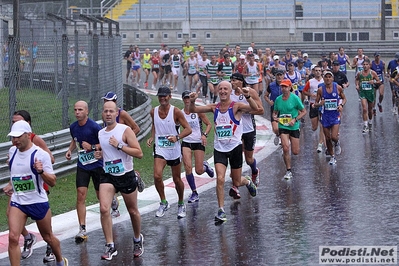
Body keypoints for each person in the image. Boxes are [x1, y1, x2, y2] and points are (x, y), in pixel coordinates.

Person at [188, 80, 259, 223]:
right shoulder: (214, 108)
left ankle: (247, 181)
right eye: (220, 89)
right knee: (220, 179)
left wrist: (248, 96)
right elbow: (193, 110)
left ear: (230, 91)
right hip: (219, 149)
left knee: (237, 181)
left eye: (226, 89)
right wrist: (192, 101)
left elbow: (256, 109)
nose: (223, 91)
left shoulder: (236, 107)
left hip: (235, 148)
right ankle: (221, 210)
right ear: (217, 91)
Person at [3, 120, 68, 266]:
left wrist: (41, 171)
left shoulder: (41, 154)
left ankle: (59, 261)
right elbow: (17, 174)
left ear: (28, 135)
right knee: (13, 238)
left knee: (48, 237)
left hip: (37, 201)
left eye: (18, 137)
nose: (15, 140)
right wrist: (10, 185)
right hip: (18, 202)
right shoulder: (12, 152)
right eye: (13, 137)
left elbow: (52, 181)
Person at [95, 101, 144, 260]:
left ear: (117, 113)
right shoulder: (101, 133)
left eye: (111, 111)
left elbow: (139, 153)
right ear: (102, 114)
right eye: (105, 111)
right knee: (104, 209)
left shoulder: (125, 130)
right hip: (108, 175)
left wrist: (119, 146)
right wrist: (99, 155)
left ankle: (137, 239)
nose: (108, 114)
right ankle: (110, 245)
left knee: (133, 211)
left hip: (126, 175)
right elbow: (106, 152)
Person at [9, 110, 55, 263]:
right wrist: (11, 184)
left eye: (18, 122)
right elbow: (15, 172)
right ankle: (28, 238)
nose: (15, 125)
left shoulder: (36, 142)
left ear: (27, 128)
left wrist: (40, 168)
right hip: (19, 197)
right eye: (13, 122)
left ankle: (54, 251)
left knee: (47, 234)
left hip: (38, 191)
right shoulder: (13, 149)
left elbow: (50, 158)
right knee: (12, 235)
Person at [146, 86, 192, 218]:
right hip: (160, 148)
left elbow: (188, 129)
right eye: (160, 96)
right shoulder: (153, 112)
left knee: (176, 179)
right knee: (157, 175)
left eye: (165, 96)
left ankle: (181, 202)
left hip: (174, 149)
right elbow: (155, 124)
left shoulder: (176, 112)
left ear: (170, 97)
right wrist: (151, 137)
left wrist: (177, 137)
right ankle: (163, 201)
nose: (162, 98)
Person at [65, 101, 103, 243]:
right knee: (81, 196)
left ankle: (112, 200)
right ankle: (82, 228)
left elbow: (104, 143)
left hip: (97, 165)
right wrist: (70, 150)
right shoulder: (73, 127)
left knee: (101, 197)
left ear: (87, 111)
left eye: (80, 109)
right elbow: (75, 141)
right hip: (83, 165)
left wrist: (92, 147)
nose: (77, 112)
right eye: (75, 110)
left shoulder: (94, 126)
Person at [101, 91, 144, 218]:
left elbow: (136, 128)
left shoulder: (122, 114)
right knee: (108, 175)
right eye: (105, 101)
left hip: (123, 149)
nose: (107, 105)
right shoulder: (106, 114)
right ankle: (114, 206)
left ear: (116, 103)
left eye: (111, 101)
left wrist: (125, 141)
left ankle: (134, 177)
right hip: (111, 154)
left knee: (132, 210)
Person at [230, 73, 264, 188]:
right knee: (236, 157)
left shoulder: (250, 92)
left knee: (249, 159)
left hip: (248, 129)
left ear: (240, 81)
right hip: (235, 131)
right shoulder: (229, 93)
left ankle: (254, 171)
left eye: (234, 80)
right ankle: (235, 185)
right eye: (231, 80)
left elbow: (261, 110)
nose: (232, 83)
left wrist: (244, 111)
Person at [181, 90, 214, 203]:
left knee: (199, 170)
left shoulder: (198, 111)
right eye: (185, 98)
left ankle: (205, 167)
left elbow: (209, 124)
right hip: (186, 142)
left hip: (198, 141)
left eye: (189, 98)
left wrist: (204, 135)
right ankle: (194, 192)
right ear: (183, 100)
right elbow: (175, 126)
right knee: (188, 167)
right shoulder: (180, 113)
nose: (187, 100)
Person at [272, 79, 306, 179]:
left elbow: (303, 111)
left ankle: (287, 143)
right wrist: (275, 117)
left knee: (295, 151)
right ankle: (288, 170)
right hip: (283, 126)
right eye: (282, 87)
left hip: (293, 126)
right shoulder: (278, 99)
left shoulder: (295, 98)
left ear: (290, 87)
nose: (284, 89)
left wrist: (295, 119)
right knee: (286, 148)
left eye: (286, 87)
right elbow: (275, 112)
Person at [314, 71, 346, 165]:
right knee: (327, 138)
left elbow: (344, 99)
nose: (328, 79)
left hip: (335, 115)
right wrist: (320, 104)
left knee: (334, 136)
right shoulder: (320, 90)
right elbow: (315, 104)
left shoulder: (338, 88)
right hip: (325, 116)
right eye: (326, 77)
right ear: (323, 79)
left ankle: (337, 143)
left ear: (332, 79)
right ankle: (332, 156)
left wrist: (341, 105)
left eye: (329, 77)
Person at [303, 65, 325, 153]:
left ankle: (320, 144)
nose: (318, 72)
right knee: (314, 126)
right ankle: (316, 134)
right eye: (316, 70)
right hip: (313, 104)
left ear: (321, 71)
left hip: (322, 105)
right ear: (313, 72)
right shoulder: (310, 82)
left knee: (322, 125)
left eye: (319, 70)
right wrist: (311, 95)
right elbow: (304, 91)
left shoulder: (325, 80)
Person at [355, 59, 380, 133]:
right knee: (364, 108)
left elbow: (379, 81)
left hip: (370, 93)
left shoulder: (373, 73)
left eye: (366, 64)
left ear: (369, 65)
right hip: (363, 93)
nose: (365, 66)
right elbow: (356, 79)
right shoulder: (360, 73)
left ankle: (370, 122)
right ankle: (365, 125)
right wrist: (357, 85)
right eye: (364, 65)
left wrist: (374, 81)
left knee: (370, 110)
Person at [264, 69, 285, 145]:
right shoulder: (271, 85)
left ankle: (283, 141)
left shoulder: (287, 84)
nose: (279, 77)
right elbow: (265, 95)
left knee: (283, 126)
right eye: (277, 75)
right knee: (275, 128)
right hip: (274, 109)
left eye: (280, 75)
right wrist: (269, 101)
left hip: (284, 109)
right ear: (275, 76)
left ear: (283, 75)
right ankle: (278, 135)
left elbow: (292, 94)